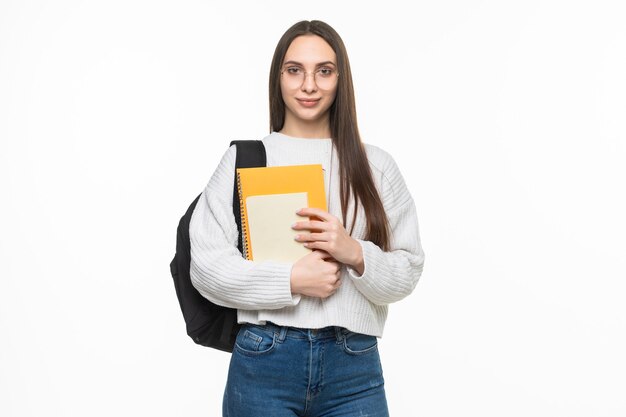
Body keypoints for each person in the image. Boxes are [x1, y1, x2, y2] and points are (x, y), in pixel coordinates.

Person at [189, 19, 425, 417]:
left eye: (324, 71)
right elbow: (207, 268)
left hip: (354, 366)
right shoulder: (245, 160)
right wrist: (292, 280)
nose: (309, 85)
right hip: (265, 359)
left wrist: (354, 253)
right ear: (278, 77)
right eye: (294, 70)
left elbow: (409, 268)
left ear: (341, 79)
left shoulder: (376, 166)